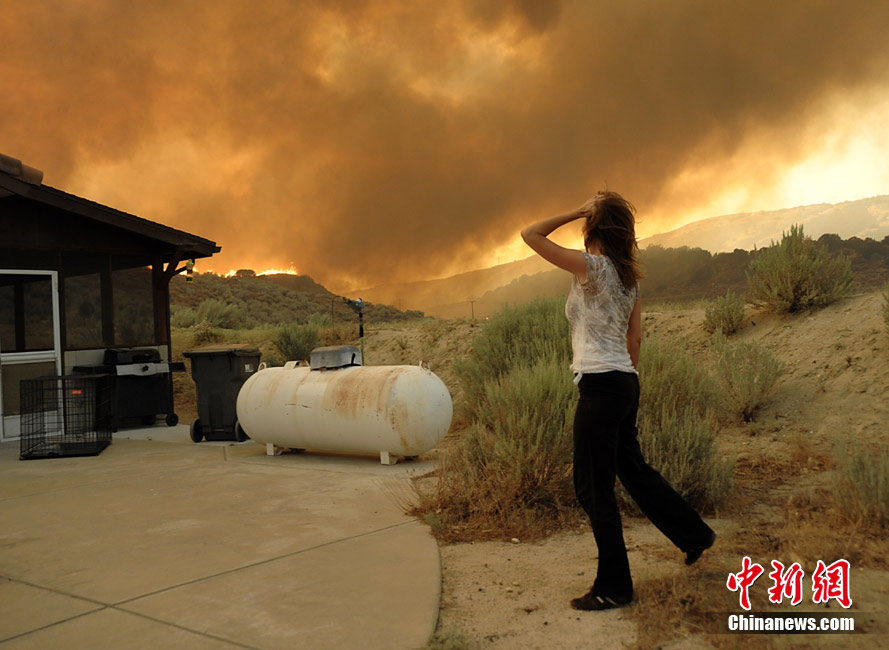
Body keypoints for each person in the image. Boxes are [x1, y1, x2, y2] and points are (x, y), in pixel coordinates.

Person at [520, 190, 716, 611]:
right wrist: (628, 379)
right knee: (634, 470)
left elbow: (530, 234)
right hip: (625, 382)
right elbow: (635, 338)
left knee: (594, 489)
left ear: (592, 226)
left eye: (587, 218)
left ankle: (614, 588)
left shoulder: (592, 267)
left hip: (601, 385)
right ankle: (695, 535)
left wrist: (575, 209)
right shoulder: (629, 278)